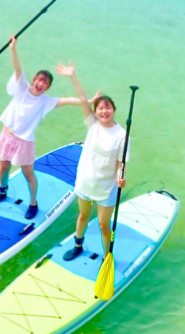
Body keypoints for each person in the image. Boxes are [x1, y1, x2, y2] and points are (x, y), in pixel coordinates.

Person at [0, 36, 83, 219]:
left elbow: (68, 100)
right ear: (34, 79)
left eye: (45, 83)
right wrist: (13, 48)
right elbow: (18, 68)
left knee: (28, 174)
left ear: (47, 87)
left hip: (24, 142)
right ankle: (2, 192)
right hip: (7, 136)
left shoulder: (46, 101)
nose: (41, 84)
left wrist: (90, 101)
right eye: (40, 80)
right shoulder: (22, 88)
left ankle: (33, 203)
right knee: (3, 169)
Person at [54, 63, 128, 261]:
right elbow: (82, 99)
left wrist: (121, 177)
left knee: (104, 225)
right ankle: (78, 246)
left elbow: (121, 162)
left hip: (106, 187)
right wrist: (73, 76)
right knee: (83, 216)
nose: (104, 111)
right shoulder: (93, 124)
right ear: (95, 112)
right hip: (86, 181)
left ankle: (107, 256)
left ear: (114, 110)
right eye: (100, 108)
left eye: (108, 107)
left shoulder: (122, 134)